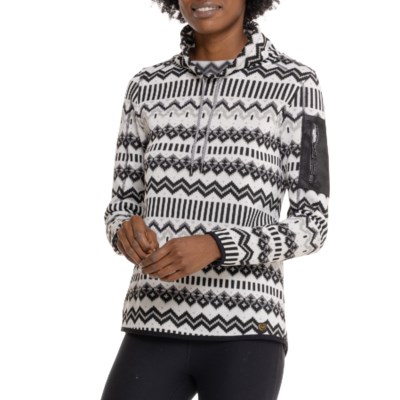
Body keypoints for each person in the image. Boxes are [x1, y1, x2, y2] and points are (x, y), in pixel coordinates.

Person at [100, 0, 330, 399]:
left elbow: (312, 224)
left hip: (247, 328)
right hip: (152, 318)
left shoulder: (295, 83)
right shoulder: (147, 86)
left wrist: (217, 245)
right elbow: (121, 205)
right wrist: (123, 231)